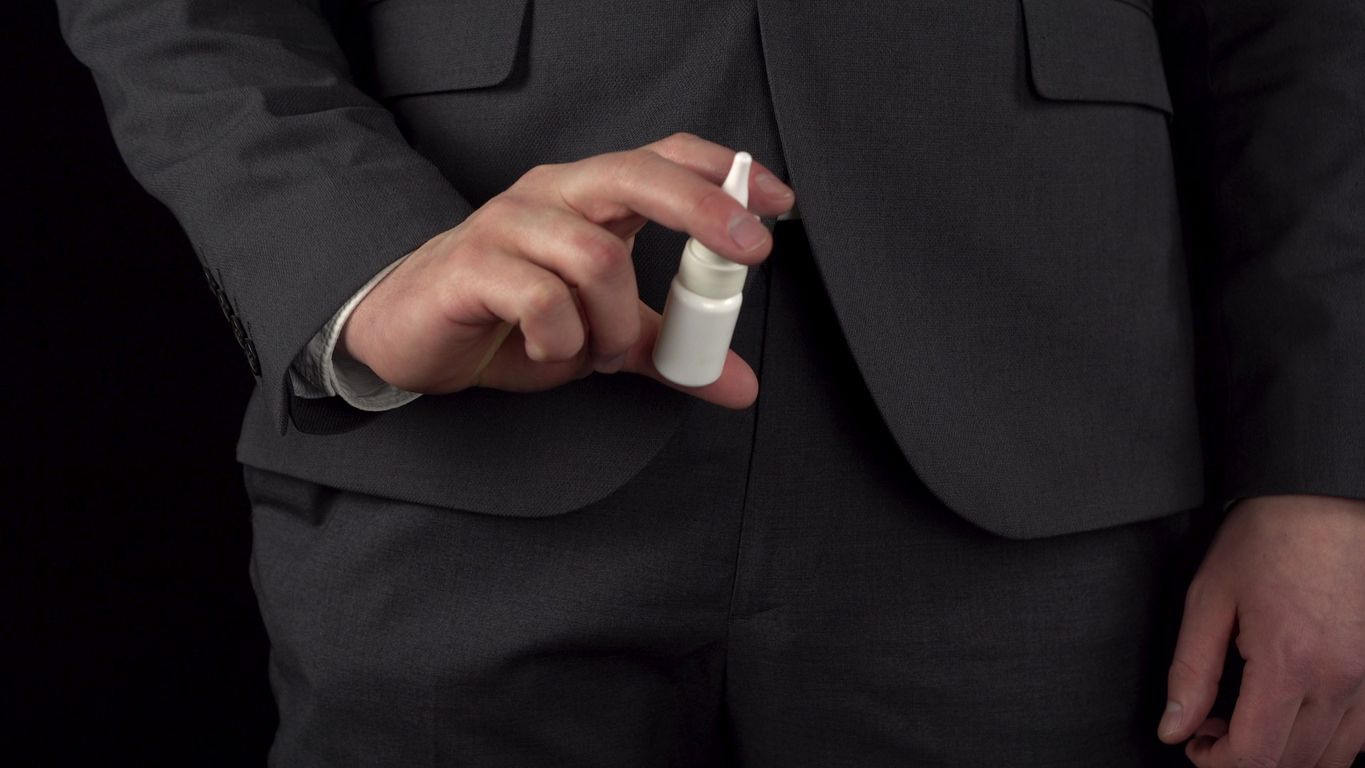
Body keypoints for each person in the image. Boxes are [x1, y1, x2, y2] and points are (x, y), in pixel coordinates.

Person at [57, 0, 1364, 765]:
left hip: (1043, 451)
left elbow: (1302, 37)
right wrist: (366, 266)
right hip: (460, 430)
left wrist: (1322, 467)